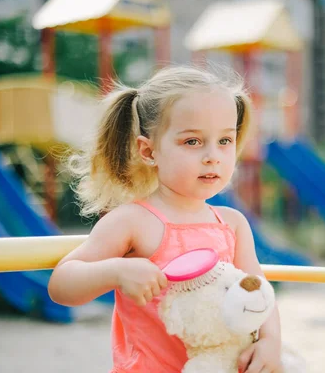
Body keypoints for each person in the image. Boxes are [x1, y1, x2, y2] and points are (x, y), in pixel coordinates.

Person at [48, 65, 283, 373]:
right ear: (149, 151)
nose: (213, 155)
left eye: (225, 141)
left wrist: (271, 342)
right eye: (193, 142)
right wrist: (116, 271)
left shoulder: (232, 224)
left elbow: (258, 291)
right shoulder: (133, 221)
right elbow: (60, 284)